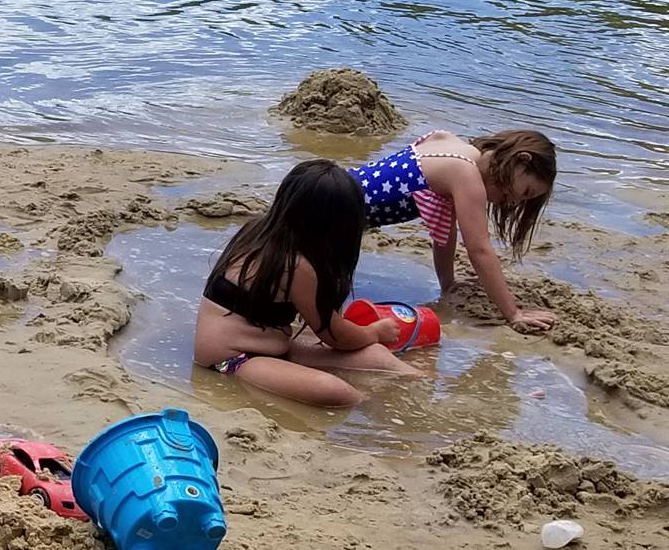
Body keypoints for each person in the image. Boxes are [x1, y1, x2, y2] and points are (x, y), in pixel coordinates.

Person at [194, 159, 417, 408]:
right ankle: (379, 408)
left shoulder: (258, 231)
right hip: (234, 360)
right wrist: (374, 332)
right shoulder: (295, 266)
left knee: (376, 356)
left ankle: (424, 384)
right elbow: (335, 335)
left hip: (275, 348)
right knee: (333, 391)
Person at [346, 129, 558, 332]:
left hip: (332, 189)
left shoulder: (449, 143)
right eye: (526, 192)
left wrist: (448, 284)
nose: (515, 202)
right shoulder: (466, 174)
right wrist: (513, 313)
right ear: (521, 160)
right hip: (333, 215)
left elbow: (445, 235)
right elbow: (480, 250)